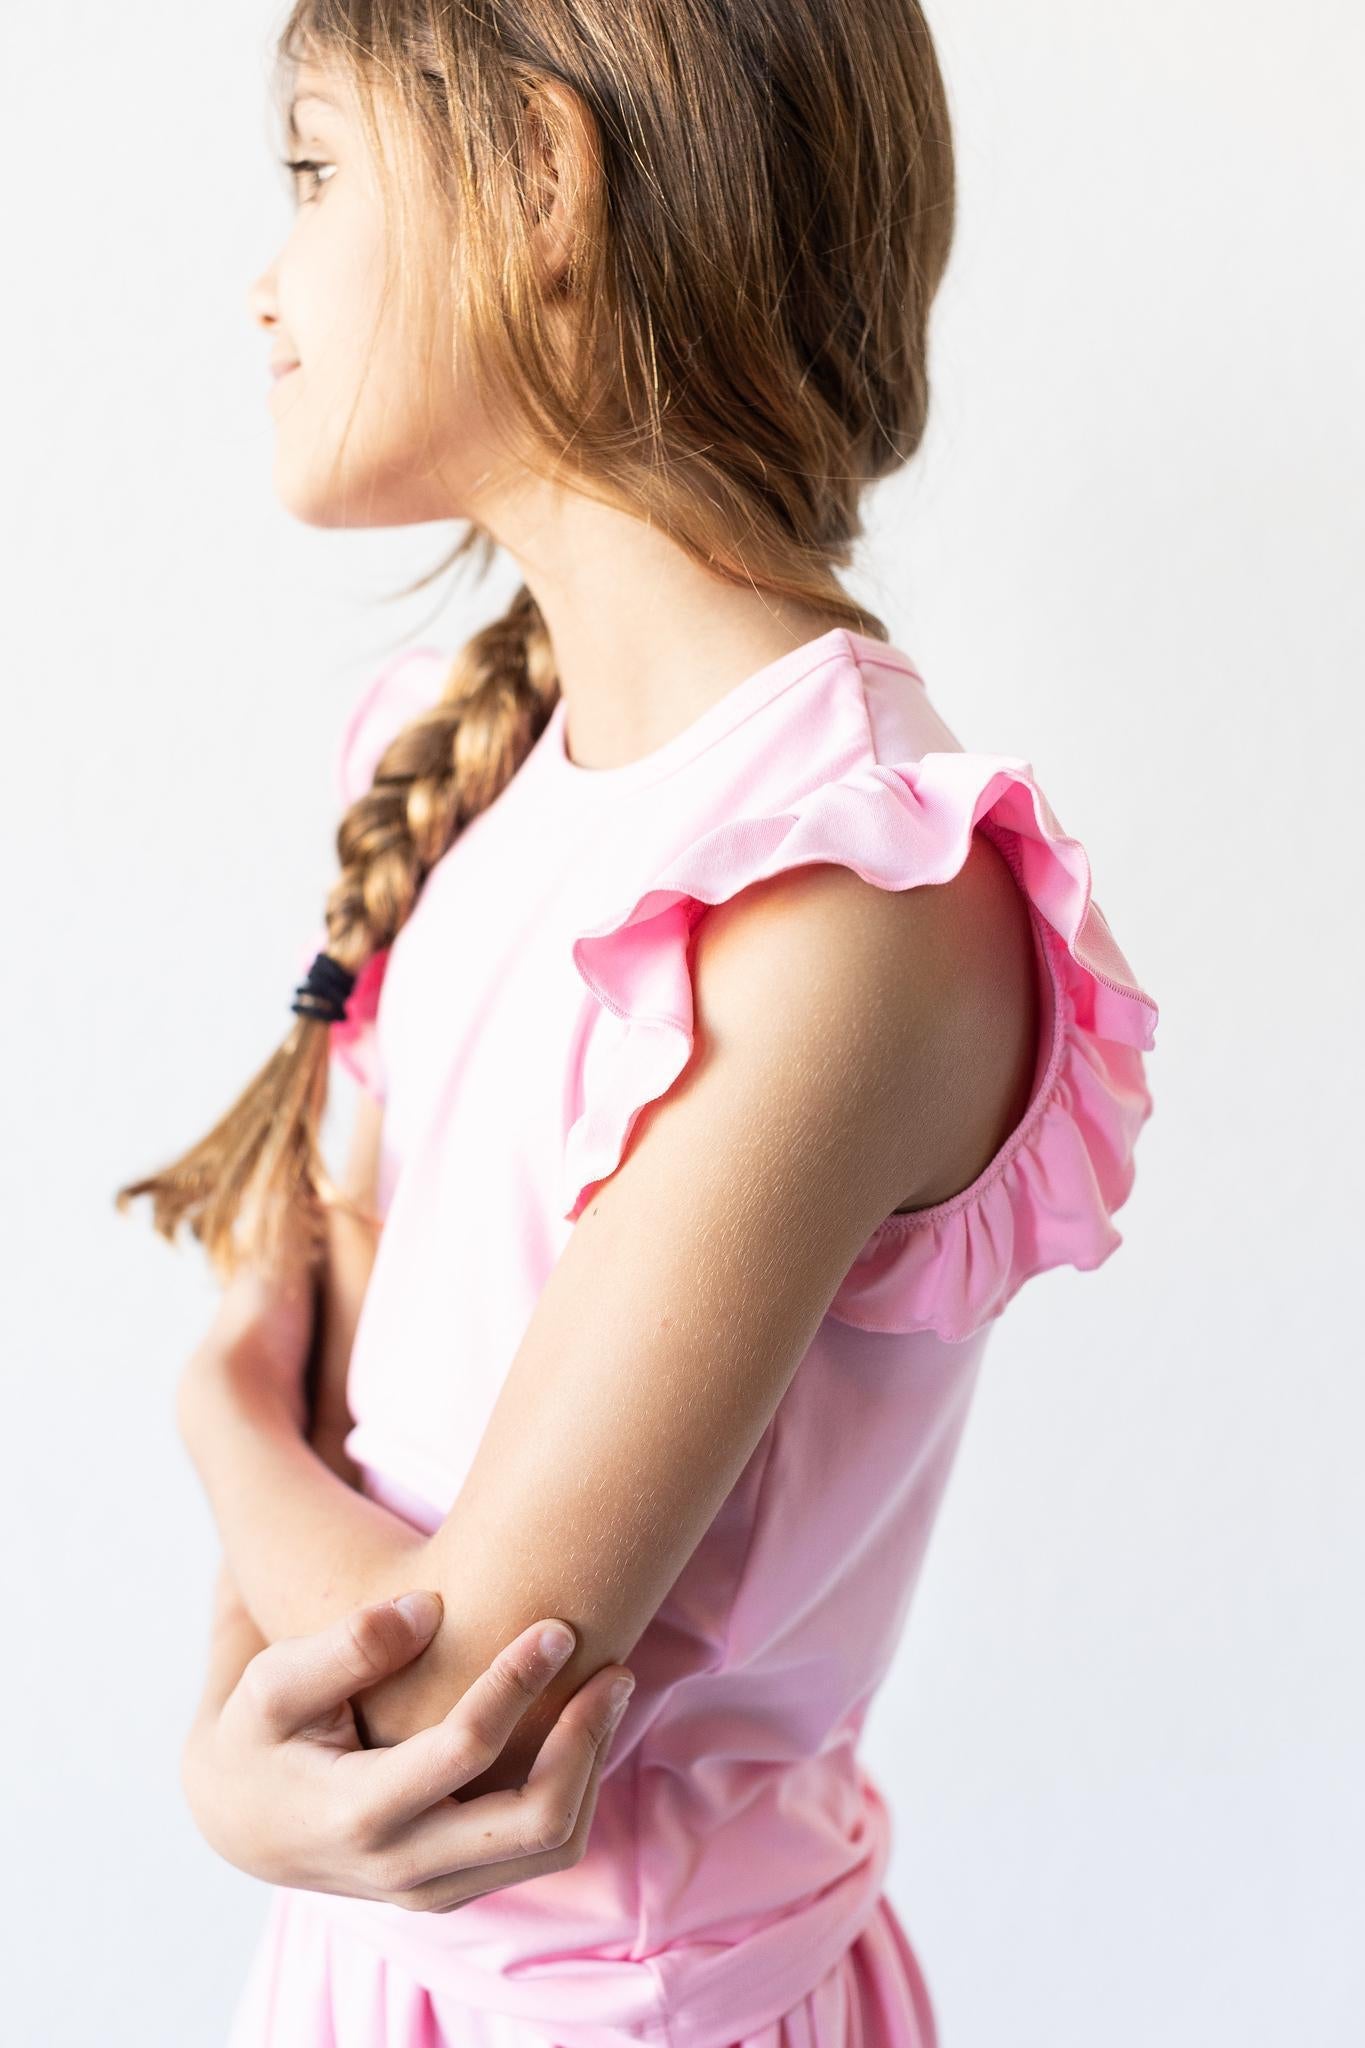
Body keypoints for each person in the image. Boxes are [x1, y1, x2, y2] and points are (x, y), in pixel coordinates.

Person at [116, 3, 1161, 2043]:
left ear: (544, 187)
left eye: (314, 173)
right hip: (358, 1982)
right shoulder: (459, 762)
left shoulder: (842, 897)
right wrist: (230, 1757)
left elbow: (447, 1697)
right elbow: (343, 1459)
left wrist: (205, 1417)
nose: (264, 278)